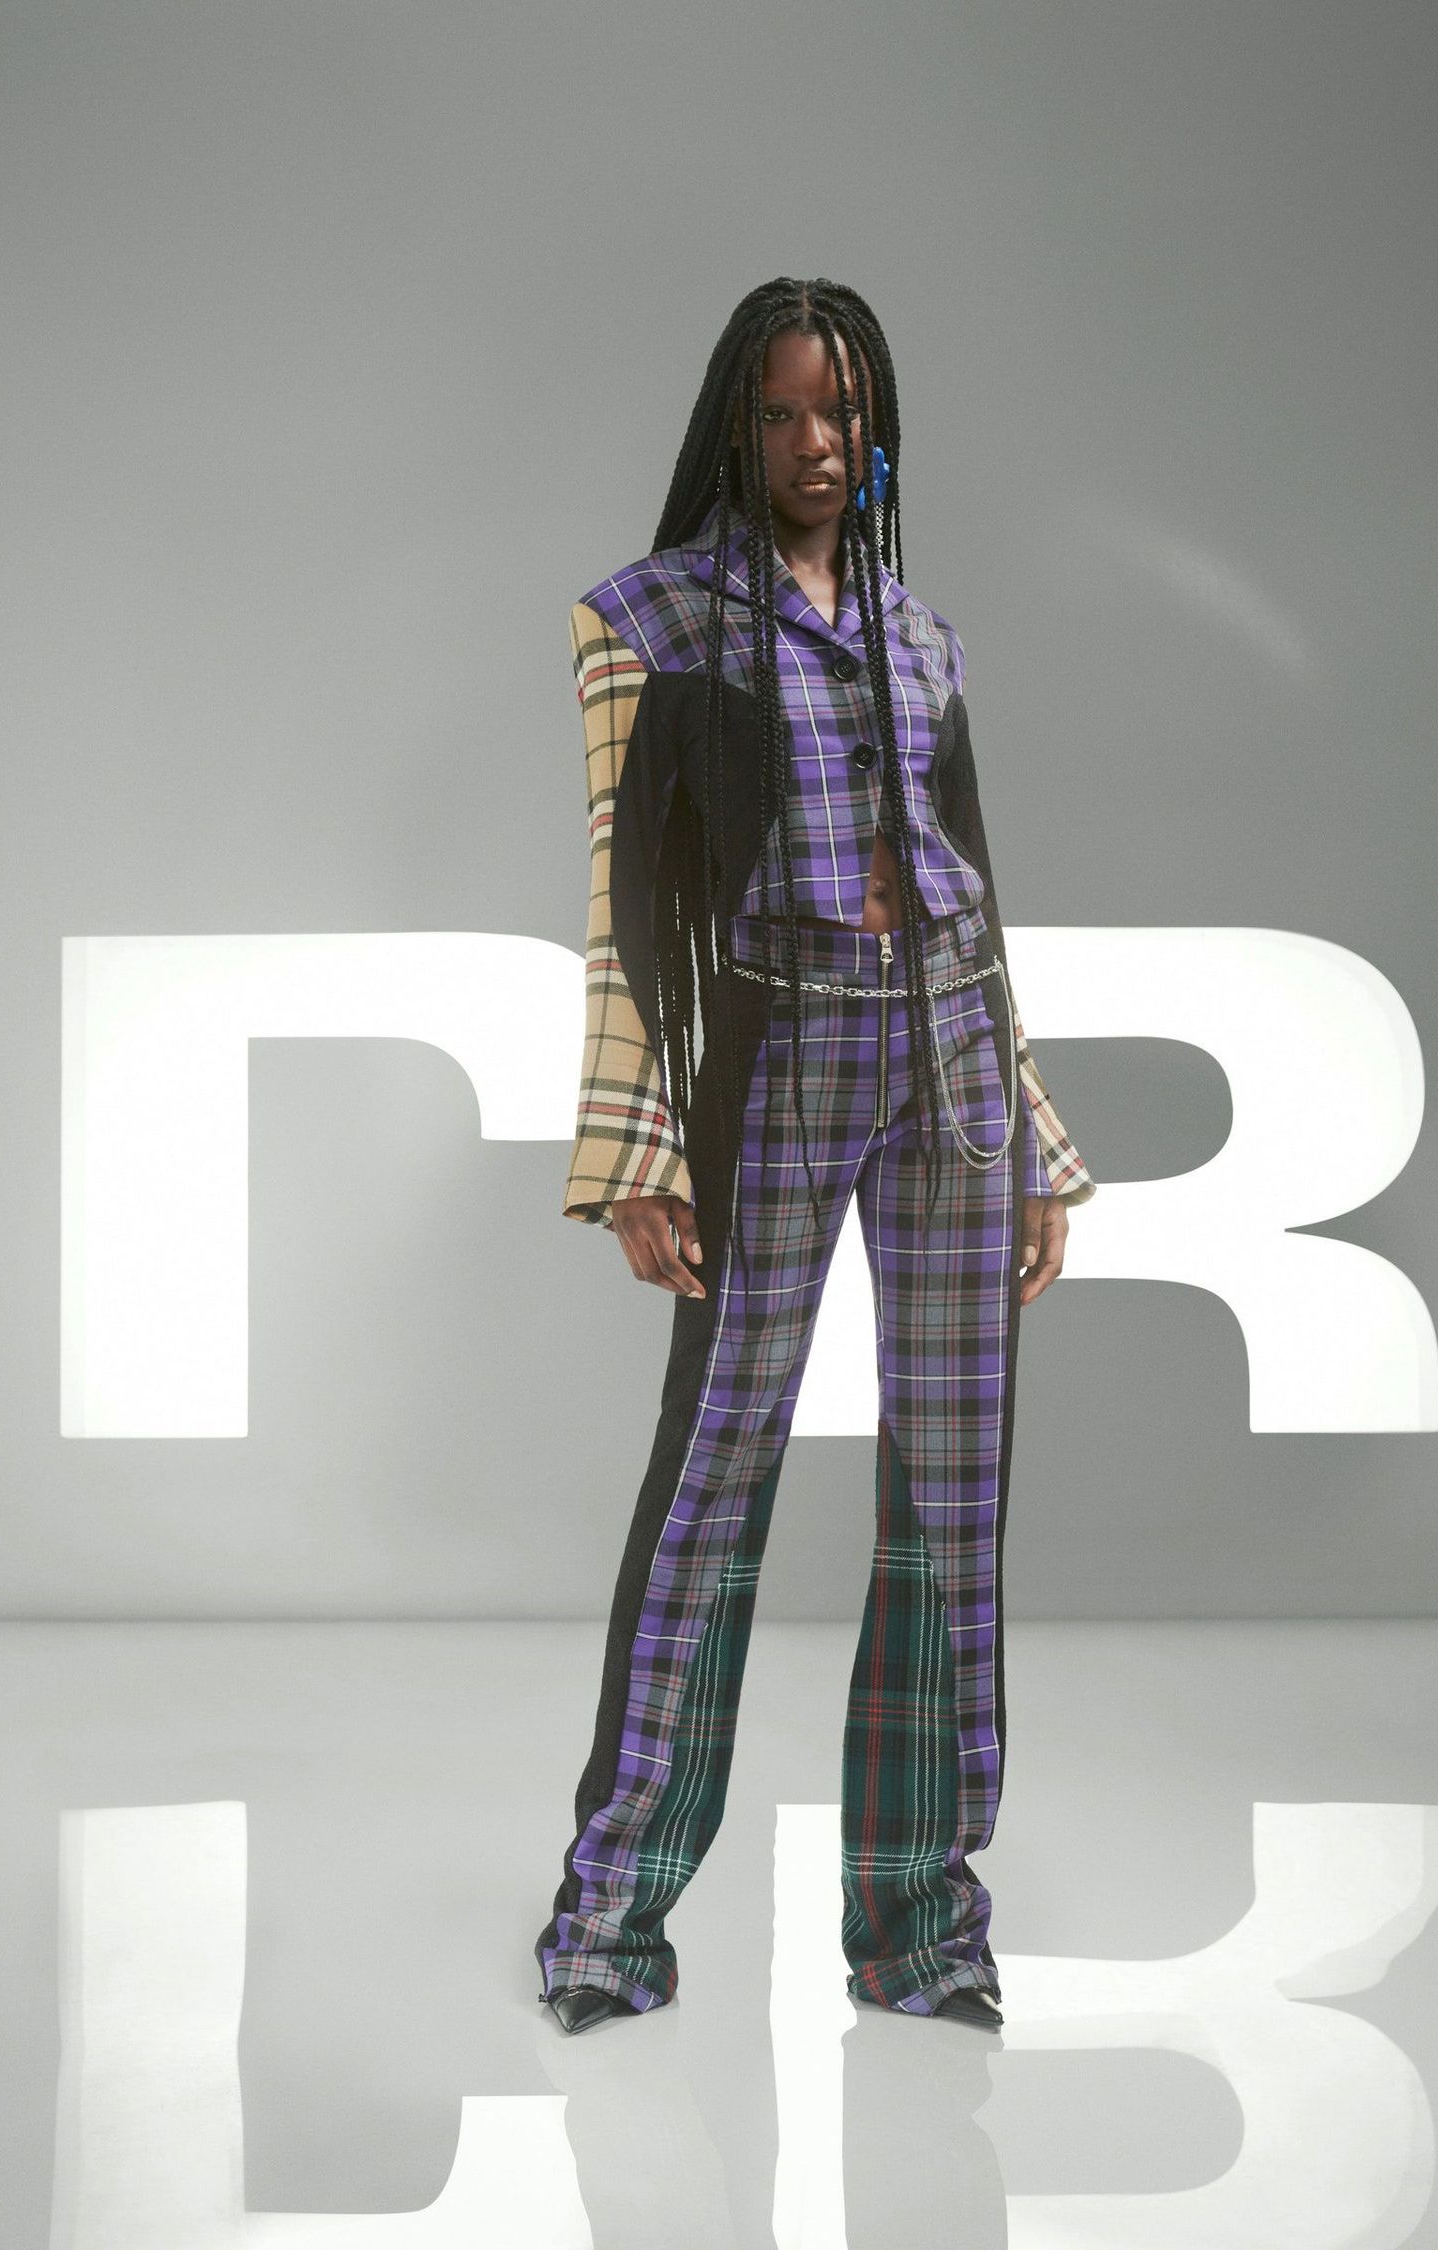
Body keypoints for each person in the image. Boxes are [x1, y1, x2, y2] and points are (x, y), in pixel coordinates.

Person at [534, 276, 1095, 2036]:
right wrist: (640, 1142)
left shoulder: (922, 637)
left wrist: (1032, 1134)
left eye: (841, 411)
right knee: (715, 1480)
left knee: (952, 1495)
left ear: (878, 428)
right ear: (736, 425)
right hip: (774, 1052)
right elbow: (624, 894)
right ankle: (609, 1915)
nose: (815, 443)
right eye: (781, 411)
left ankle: (922, 1918)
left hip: (949, 1060)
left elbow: (976, 891)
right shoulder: (650, 620)